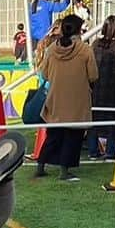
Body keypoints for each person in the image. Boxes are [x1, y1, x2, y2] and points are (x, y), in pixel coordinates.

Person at [35, 15, 97, 182]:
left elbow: (45, 74)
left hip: (55, 98)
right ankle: (64, 170)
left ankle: (40, 165)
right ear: (78, 30)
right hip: (78, 100)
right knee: (73, 136)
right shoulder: (85, 50)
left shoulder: (51, 50)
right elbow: (93, 75)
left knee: (53, 135)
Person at [88, 15, 115, 161]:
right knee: (114, 120)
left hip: (96, 88)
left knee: (94, 120)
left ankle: (93, 151)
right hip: (114, 90)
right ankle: (111, 152)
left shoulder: (94, 45)